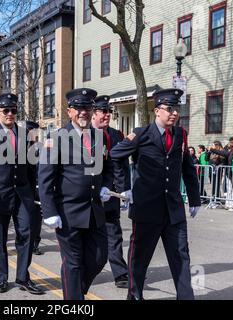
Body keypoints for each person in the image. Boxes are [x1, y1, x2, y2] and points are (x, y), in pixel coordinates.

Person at [110, 88, 201, 300]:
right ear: (157, 110)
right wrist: (125, 186)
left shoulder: (180, 135)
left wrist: (195, 198)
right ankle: (134, 295)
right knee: (140, 259)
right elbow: (116, 155)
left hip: (173, 209)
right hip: (146, 209)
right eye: (170, 108)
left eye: (177, 108)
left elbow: (187, 167)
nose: (175, 113)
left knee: (181, 257)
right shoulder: (141, 134)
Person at [38, 88, 114, 300]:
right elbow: (45, 178)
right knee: (72, 263)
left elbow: (106, 168)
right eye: (79, 108)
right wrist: (49, 211)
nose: (84, 112)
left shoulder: (100, 137)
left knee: (99, 258)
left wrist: (106, 185)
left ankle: (74, 292)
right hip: (68, 213)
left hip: (94, 212)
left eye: (88, 107)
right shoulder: (56, 138)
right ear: (70, 111)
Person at [0, 93, 43, 295]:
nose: (10, 114)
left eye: (13, 110)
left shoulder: (25, 134)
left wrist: (35, 191)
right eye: (6, 110)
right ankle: (2, 277)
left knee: (27, 234)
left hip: (22, 194)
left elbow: (31, 166)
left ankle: (23, 276)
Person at [91, 95, 130, 288]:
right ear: (93, 113)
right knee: (90, 237)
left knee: (114, 234)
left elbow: (122, 165)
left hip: (111, 194)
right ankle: (85, 269)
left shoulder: (117, 135)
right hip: (90, 195)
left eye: (109, 111)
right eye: (103, 111)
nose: (107, 115)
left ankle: (120, 274)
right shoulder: (83, 133)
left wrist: (125, 191)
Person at [26, 120, 44, 256]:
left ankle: (35, 244)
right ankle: (25, 241)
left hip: (38, 187)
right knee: (25, 218)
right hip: (25, 188)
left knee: (37, 218)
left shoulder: (41, 147)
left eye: (32, 131)